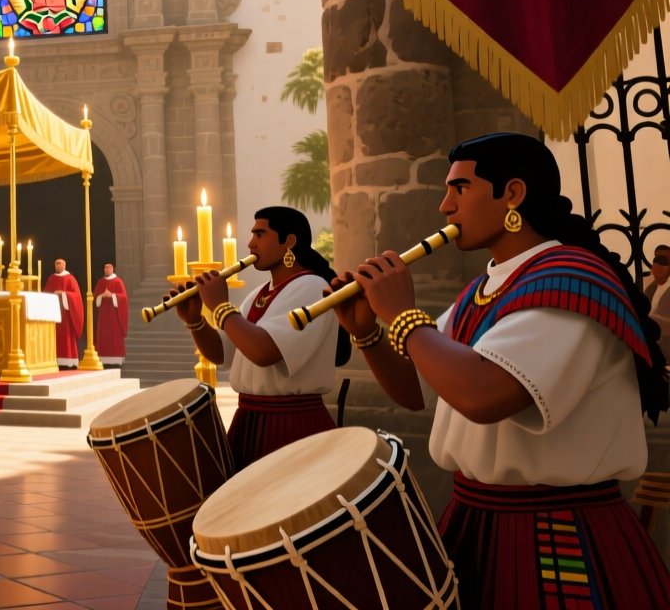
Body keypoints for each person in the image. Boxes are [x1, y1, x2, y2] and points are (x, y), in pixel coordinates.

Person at [335, 133, 670, 608]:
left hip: (556, 536)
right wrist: (367, 334)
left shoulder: (571, 282)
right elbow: (421, 390)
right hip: (475, 522)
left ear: (512, 194)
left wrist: (402, 316)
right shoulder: (487, 288)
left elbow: (483, 395)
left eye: (461, 189)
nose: (445, 207)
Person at [169, 205, 337, 470]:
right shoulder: (258, 293)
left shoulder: (314, 287)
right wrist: (196, 320)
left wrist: (220, 307)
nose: (250, 244)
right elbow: (223, 353)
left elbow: (264, 352)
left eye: (260, 234)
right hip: (249, 421)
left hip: (292, 425)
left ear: (289, 242)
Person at [44, 258, 84, 369]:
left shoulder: (70, 279)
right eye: (56, 264)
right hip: (54, 313)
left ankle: (69, 360)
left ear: (64, 265)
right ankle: (55, 359)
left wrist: (64, 294)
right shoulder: (51, 278)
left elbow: (77, 297)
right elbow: (46, 294)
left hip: (66, 315)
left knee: (67, 337)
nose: (57, 266)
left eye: (60, 263)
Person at [92, 263, 129, 367]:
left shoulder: (118, 281)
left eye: (109, 267)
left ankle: (115, 361)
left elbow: (123, 298)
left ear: (113, 269)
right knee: (103, 335)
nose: (106, 269)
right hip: (103, 316)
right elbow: (95, 298)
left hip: (114, 317)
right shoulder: (101, 282)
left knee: (114, 336)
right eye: (105, 267)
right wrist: (102, 296)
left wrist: (112, 295)